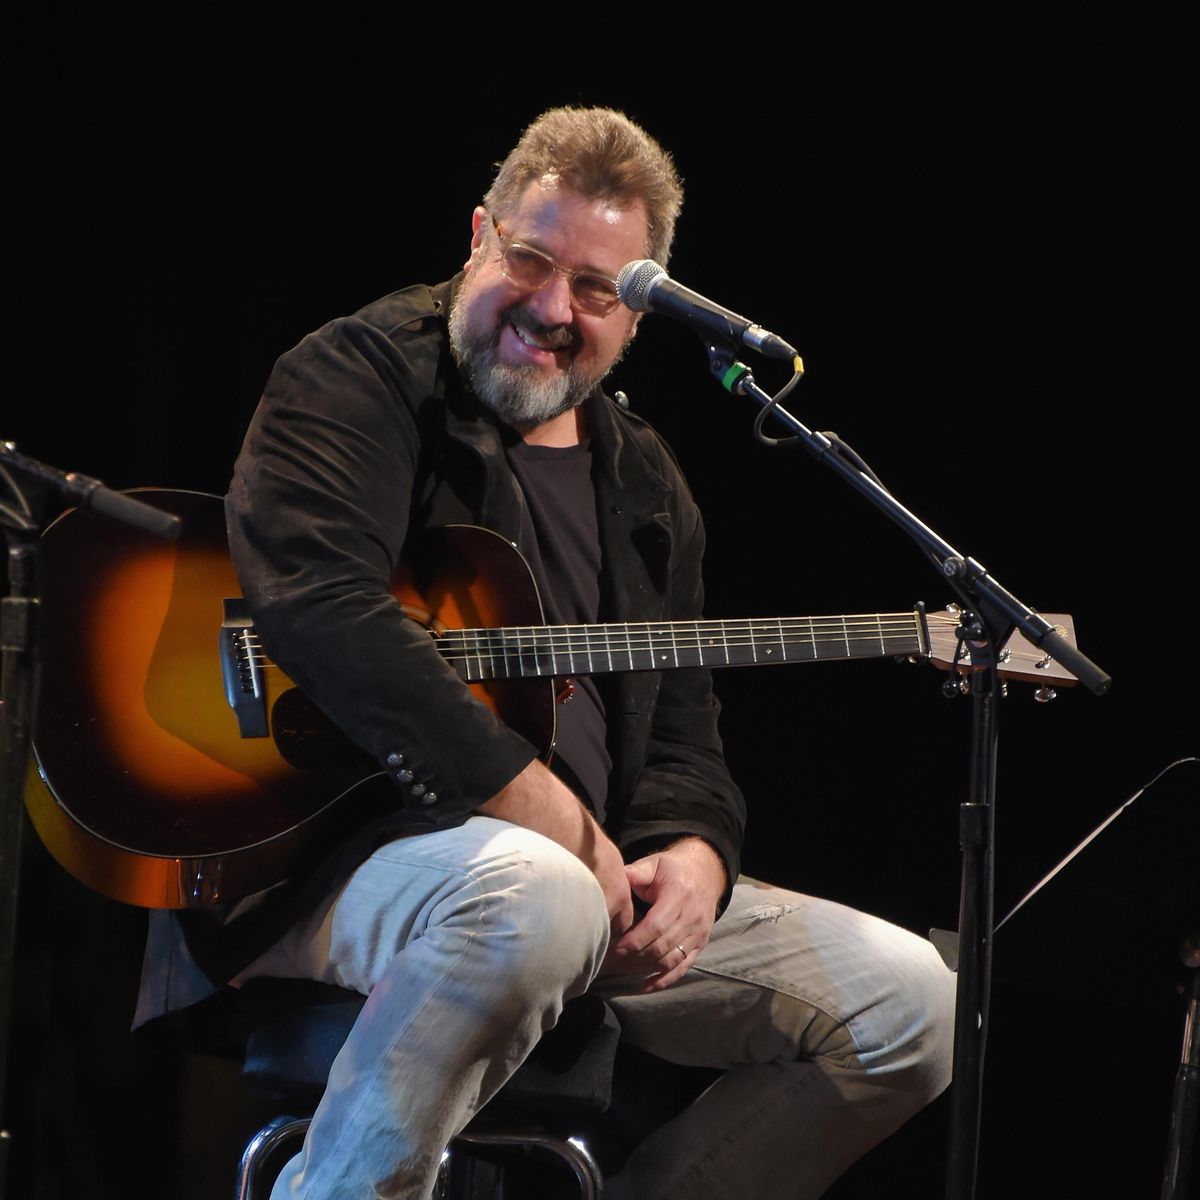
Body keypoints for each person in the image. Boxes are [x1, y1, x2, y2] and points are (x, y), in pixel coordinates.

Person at [144, 106, 955, 1198]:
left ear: (640, 313)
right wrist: (551, 819)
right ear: (480, 234)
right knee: (543, 894)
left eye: (597, 289)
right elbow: (328, 609)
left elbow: (683, 732)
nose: (553, 307)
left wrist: (697, 856)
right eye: (531, 259)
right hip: (331, 859)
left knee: (912, 1004)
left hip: (584, 878)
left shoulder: (648, 480)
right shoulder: (358, 373)